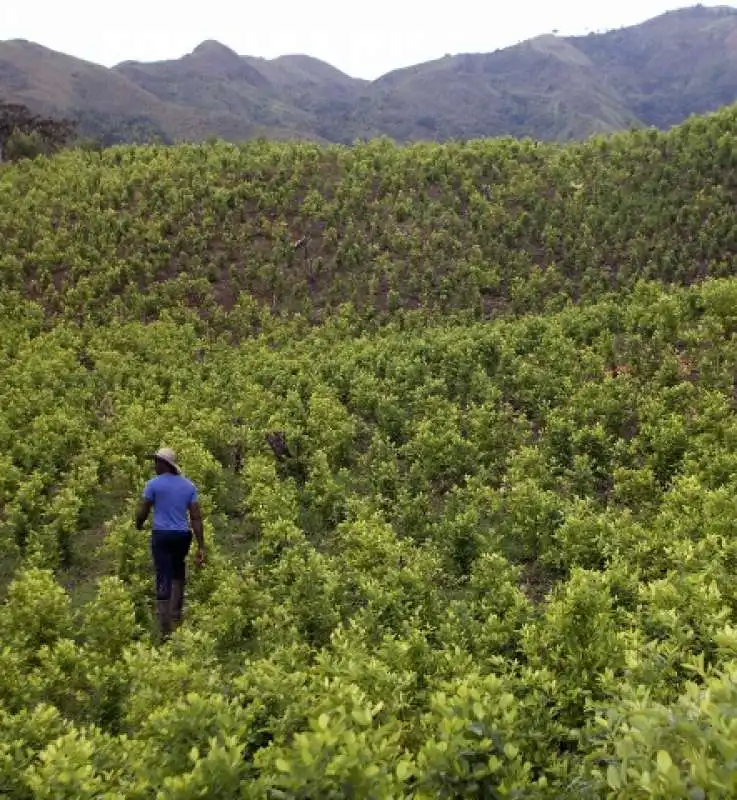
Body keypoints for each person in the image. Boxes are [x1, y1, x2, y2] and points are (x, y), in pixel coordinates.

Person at [135, 447, 205, 639]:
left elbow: (144, 509)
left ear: (163, 464)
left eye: (156, 461)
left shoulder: (153, 485)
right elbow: (196, 517)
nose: (154, 465)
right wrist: (201, 545)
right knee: (178, 571)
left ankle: (165, 626)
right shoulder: (188, 486)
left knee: (162, 573)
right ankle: (176, 615)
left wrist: (138, 523)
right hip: (182, 535)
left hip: (162, 535)